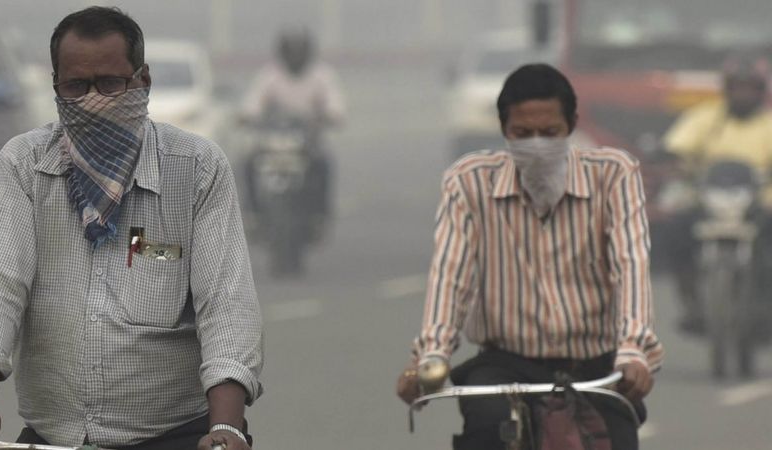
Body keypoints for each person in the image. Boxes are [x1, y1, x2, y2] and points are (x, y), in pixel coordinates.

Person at [0, 7, 262, 450]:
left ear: (142, 81)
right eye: (76, 87)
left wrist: (226, 427)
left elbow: (226, 304)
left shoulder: (198, 168)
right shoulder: (23, 165)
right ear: (55, 87)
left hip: (174, 435)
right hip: (53, 438)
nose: (93, 101)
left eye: (110, 84)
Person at [396, 63, 664, 450]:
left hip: (596, 367)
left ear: (571, 125)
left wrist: (634, 352)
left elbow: (631, 266)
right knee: (487, 429)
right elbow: (450, 276)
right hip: (505, 365)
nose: (537, 146)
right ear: (504, 129)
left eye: (549, 133)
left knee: (616, 439)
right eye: (523, 134)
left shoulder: (614, 176)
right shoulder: (469, 182)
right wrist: (431, 357)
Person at [662, 52, 772, 334]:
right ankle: (693, 304)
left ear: (760, 92)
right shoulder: (705, 119)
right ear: (727, 90)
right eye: (737, 88)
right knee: (675, 229)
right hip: (708, 201)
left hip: (760, 203)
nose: (743, 94)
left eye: (749, 88)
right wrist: (678, 163)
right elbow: (679, 148)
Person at [238, 27, 345, 231]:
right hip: (273, 139)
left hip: (308, 141)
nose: (295, 59)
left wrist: (330, 115)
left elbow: (335, 104)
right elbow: (253, 103)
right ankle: (252, 211)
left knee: (324, 164)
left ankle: (321, 212)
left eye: (299, 54)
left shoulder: (321, 76)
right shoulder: (270, 75)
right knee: (248, 162)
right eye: (291, 54)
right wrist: (247, 116)